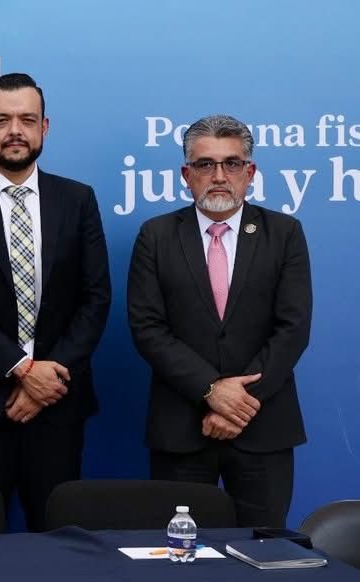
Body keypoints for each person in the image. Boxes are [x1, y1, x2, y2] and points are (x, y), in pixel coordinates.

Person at [0, 73, 111, 531]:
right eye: (2, 120)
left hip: (58, 402)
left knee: (58, 542)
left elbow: (95, 297)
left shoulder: (78, 199)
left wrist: (48, 377)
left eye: (27, 119)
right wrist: (22, 370)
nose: (15, 130)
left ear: (44, 127)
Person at [127, 115, 311, 528]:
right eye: (205, 164)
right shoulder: (155, 236)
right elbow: (148, 329)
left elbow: (293, 328)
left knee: (266, 558)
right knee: (178, 565)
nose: (219, 176)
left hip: (264, 428)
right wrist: (210, 391)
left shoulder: (284, 233)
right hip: (182, 430)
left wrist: (238, 405)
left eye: (231, 164)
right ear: (186, 175)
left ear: (250, 173)